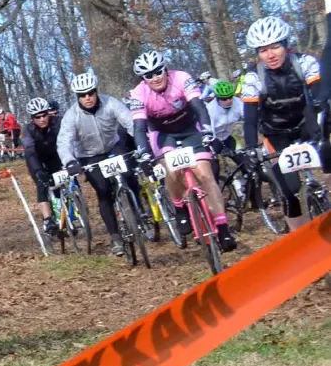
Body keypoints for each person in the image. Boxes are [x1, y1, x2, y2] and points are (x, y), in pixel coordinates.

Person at [128, 49, 237, 251]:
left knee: (205, 175)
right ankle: (179, 206)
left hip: (190, 128)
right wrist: (143, 153)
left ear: (166, 69)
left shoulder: (182, 78)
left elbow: (199, 107)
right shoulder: (138, 93)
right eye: (149, 75)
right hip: (162, 133)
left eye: (158, 71)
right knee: (172, 170)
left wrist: (207, 132)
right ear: (143, 78)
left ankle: (222, 227)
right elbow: (139, 128)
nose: (155, 77)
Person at [241, 16, 323, 232]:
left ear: (286, 45)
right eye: (263, 50)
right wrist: (250, 148)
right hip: (275, 135)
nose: (270, 55)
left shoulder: (305, 62)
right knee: (290, 192)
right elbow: (250, 119)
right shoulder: (252, 77)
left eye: (275, 47)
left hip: (305, 124)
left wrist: (319, 127)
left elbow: (319, 98)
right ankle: (300, 244)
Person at [57, 69, 139, 256]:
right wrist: (69, 161)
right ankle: (116, 238)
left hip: (112, 146)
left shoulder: (110, 102)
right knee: (103, 191)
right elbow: (64, 142)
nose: (88, 97)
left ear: (96, 91)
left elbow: (130, 122)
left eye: (91, 92)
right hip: (89, 155)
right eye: (82, 95)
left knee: (129, 175)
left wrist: (143, 143)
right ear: (77, 96)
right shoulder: (72, 115)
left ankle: (140, 212)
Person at [21, 97, 64, 236]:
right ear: (32, 118)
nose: (42, 119)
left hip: (54, 155)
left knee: (63, 181)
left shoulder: (58, 122)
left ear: (48, 113)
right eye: (37, 117)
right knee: (42, 184)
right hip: (37, 158)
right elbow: (30, 151)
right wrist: (38, 170)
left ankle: (70, 213)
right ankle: (47, 219)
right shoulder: (28, 130)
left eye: (44, 115)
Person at [206, 80, 244, 183]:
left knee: (245, 161)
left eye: (230, 97)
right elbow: (209, 131)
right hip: (213, 140)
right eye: (224, 98)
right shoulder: (210, 110)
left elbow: (249, 118)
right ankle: (215, 190)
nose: (228, 100)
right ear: (217, 98)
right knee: (215, 166)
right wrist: (217, 145)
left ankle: (249, 188)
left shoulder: (238, 102)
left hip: (228, 136)